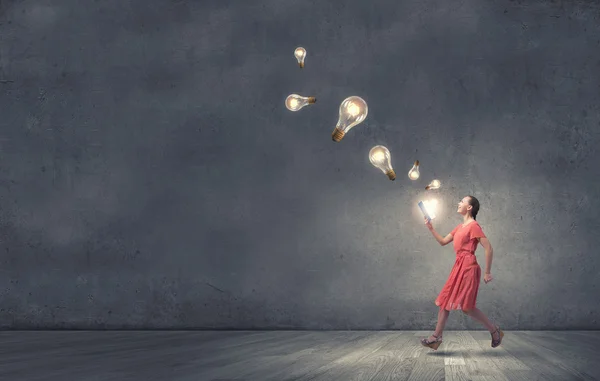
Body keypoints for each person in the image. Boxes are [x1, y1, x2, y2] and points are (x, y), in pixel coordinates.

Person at [420, 195, 503, 350]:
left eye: (462, 201)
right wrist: (430, 227)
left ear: (469, 207)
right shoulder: (459, 227)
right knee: (444, 301)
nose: (459, 203)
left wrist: (487, 272)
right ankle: (436, 337)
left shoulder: (473, 226)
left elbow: (488, 248)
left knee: (467, 308)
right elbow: (443, 241)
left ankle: (494, 330)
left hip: (469, 268)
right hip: (458, 267)